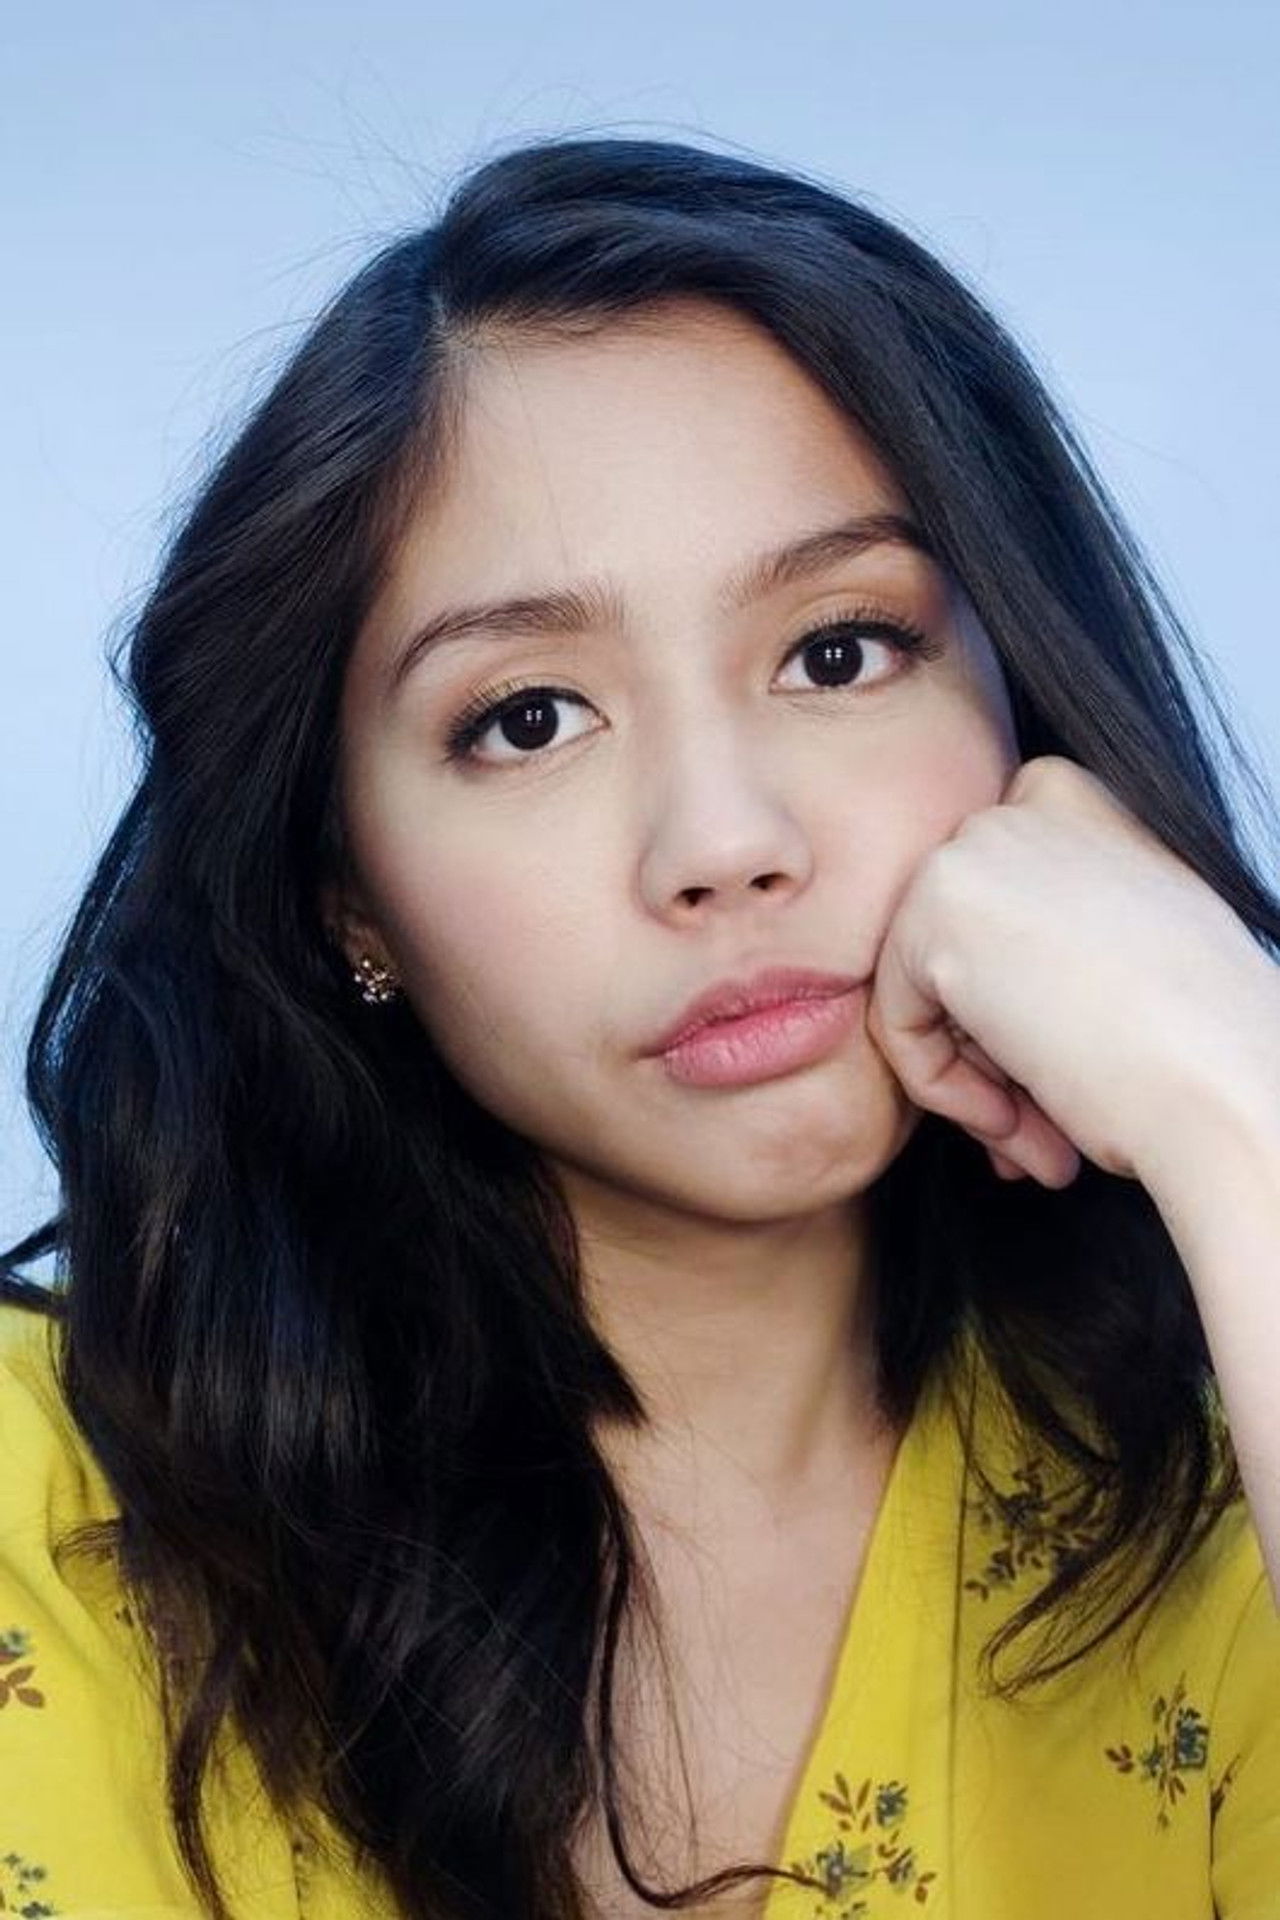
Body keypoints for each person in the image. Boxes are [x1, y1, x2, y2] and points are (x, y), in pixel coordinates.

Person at [1, 132, 1278, 1920]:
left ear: (1026, 710)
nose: (725, 843)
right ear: (347, 891)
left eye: (838, 651)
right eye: (529, 718)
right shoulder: (35, 1518)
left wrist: (1239, 1103)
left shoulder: (1222, 1504)